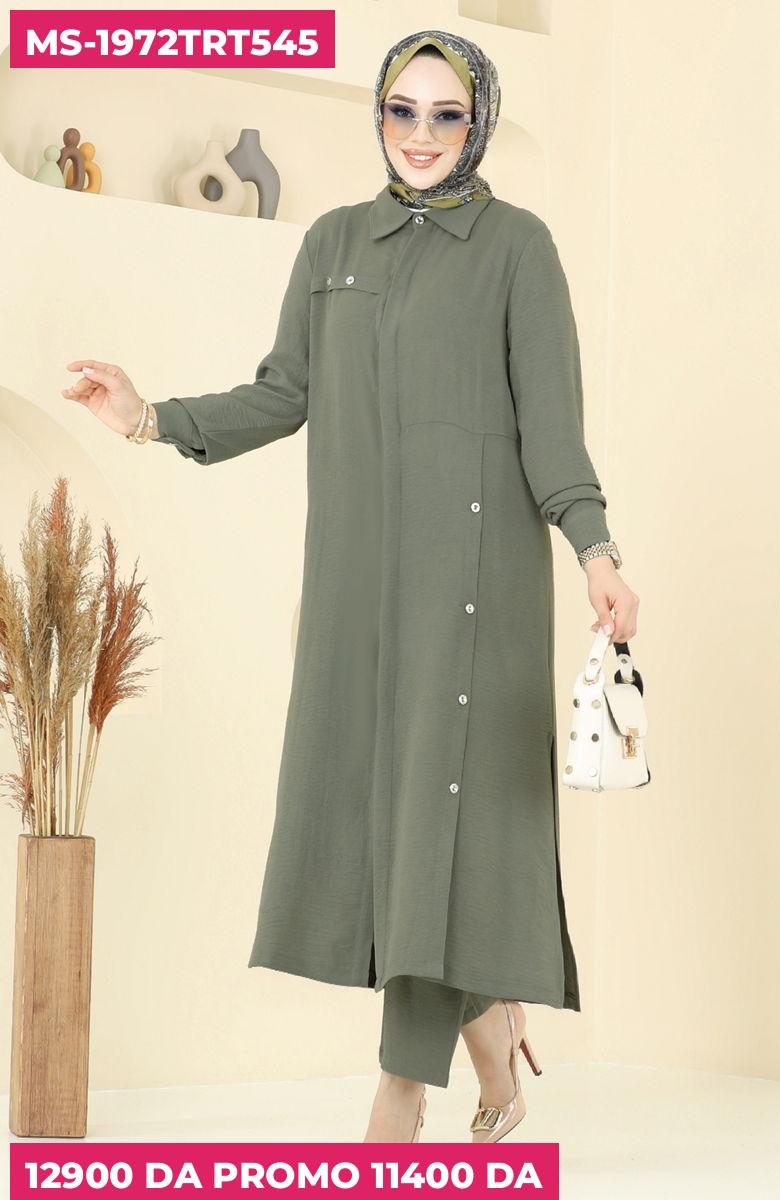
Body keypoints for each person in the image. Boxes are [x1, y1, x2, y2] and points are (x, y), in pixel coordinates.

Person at [62, 29, 639, 1143]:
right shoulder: (332, 242)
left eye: (446, 114)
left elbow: (552, 429)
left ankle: (398, 1091)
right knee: (397, 831)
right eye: (400, 111)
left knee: (441, 818)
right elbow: (282, 394)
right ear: (377, 116)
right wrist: (147, 417)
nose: (421, 134)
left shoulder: (518, 247)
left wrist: (597, 551)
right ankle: (494, 1041)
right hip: (357, 598)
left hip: (475, 595)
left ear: (477, 123)